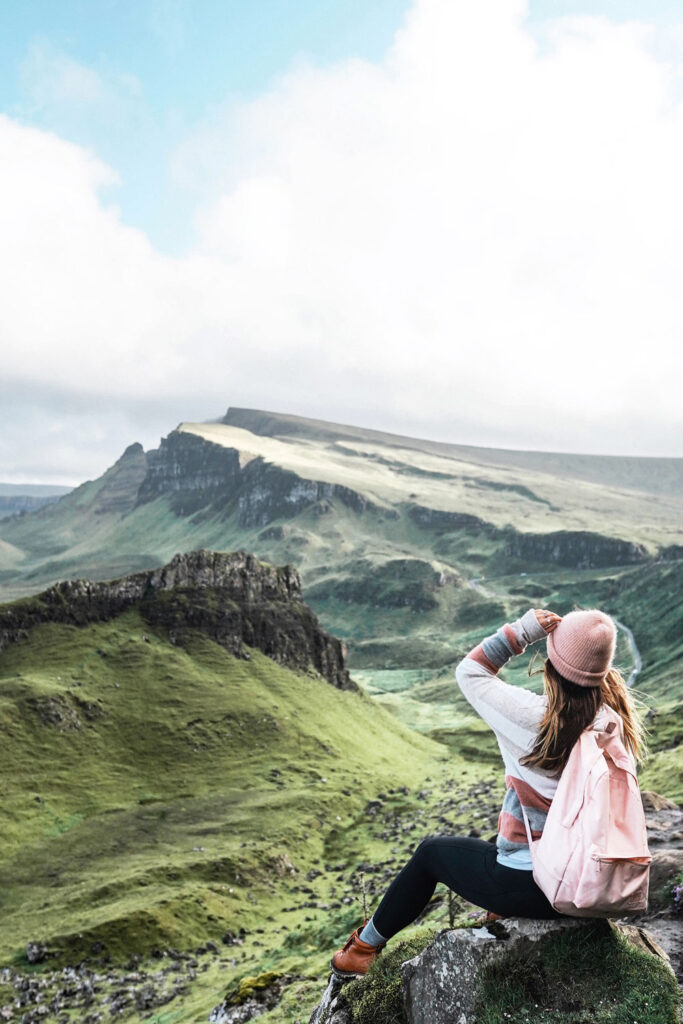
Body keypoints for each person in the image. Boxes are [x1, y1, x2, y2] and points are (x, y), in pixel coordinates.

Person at [330, 606, 645, 976]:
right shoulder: (613, 723)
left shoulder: (534, 720)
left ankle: (362, 950)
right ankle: (496, 909)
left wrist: (522, 632)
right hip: (590, 885)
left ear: (552, 667)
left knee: (431, 854)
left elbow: (470, 672)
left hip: (537, 888)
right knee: (493, 842)